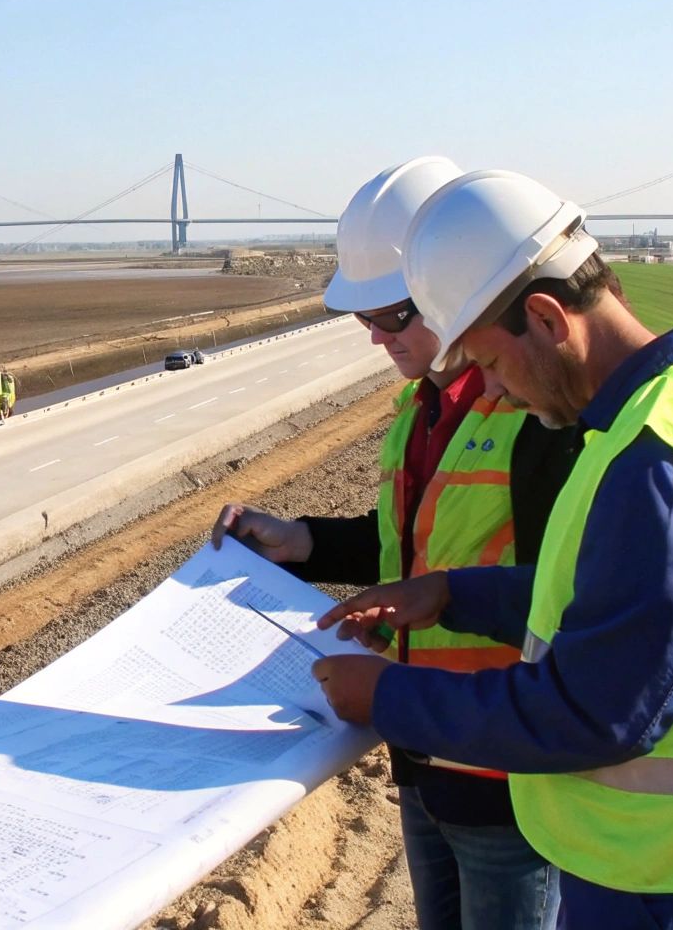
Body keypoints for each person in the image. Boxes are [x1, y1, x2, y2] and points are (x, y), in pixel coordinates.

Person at [312, 169, 673, 929]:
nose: (496, 391)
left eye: (485, 363)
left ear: (547, 319)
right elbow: (612, 603)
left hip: (671, 887)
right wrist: (454, 592)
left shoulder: (658, 467)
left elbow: (593, 710)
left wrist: (385, 698)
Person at [214, 157, 581, 930]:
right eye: (365, 322)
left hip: (504, 776)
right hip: (418, 755)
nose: (379, 340)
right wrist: (300, 542)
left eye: (395, 317)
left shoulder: (537, 421)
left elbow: (560, 603)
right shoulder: (419, 412)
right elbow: (404, 555)